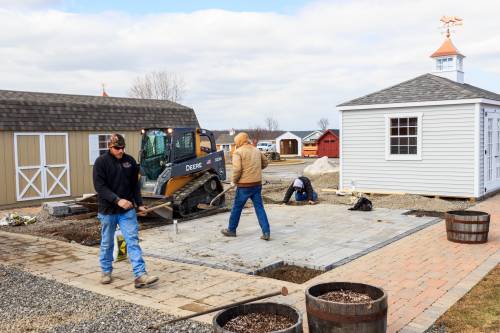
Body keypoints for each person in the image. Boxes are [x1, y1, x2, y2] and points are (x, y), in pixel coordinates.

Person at [93, 133, 159, 288]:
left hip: (127, 211)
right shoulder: (101, 162)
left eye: (122, 147)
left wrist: (140, 204)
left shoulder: (130, 161)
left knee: (132, 241)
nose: (120, 150)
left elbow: (135, 186)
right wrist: (118, 200)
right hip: (108, 210)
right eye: (117, 148)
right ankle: (106, 271)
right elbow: (100, 187)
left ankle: (140, 275)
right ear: (110, 146)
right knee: (107, 242)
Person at [221, 132, 271, 240]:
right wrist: (255, 170)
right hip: (257, 184)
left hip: (244, 186)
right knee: (259, 208)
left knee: (237, 208)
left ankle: (231, 230)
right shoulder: (256, 150)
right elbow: (265, 163)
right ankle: (266, 232)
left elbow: (237, 169)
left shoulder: (238, 152)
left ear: (239, 141)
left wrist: (234, 181)